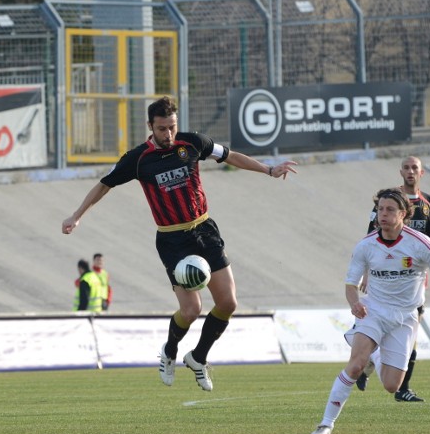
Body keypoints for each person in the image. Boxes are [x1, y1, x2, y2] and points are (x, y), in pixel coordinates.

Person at [62, 96, 297, 391]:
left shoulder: (192, 143)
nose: (169, 134)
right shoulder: (137, 159)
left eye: (172, 127)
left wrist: (269, 169)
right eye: (162, 129)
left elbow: (230, 155)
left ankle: (198, 357)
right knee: (191, 310)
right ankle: (170, 351)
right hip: (172, 239)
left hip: (205, 230)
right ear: (150, 127)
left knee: (228, 303)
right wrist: (77, 215)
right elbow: (104, 184)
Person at [310, 188, 430, 434]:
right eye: (380, 209)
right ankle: (325, 424)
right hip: (374, 311)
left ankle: (376, 354)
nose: (383, 214)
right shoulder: (366, 245)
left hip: (405, 316)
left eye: (390, 209)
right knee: (356, 365)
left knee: (392, 385)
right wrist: (354, 303)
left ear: (403, 214)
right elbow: (350, 283)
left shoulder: (420, 243)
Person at [356, 156, 430, 402]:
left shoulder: (428, 203)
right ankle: (378, 365)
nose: (410, 171)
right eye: (406, 167)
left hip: (414, 278)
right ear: (400, 171)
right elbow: (372, 237)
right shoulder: (390, 201)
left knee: (412, 333)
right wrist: (367, 274)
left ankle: (401, 386)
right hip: (387, 277)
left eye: (415, 168)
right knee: (385, 325)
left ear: (421, 173)